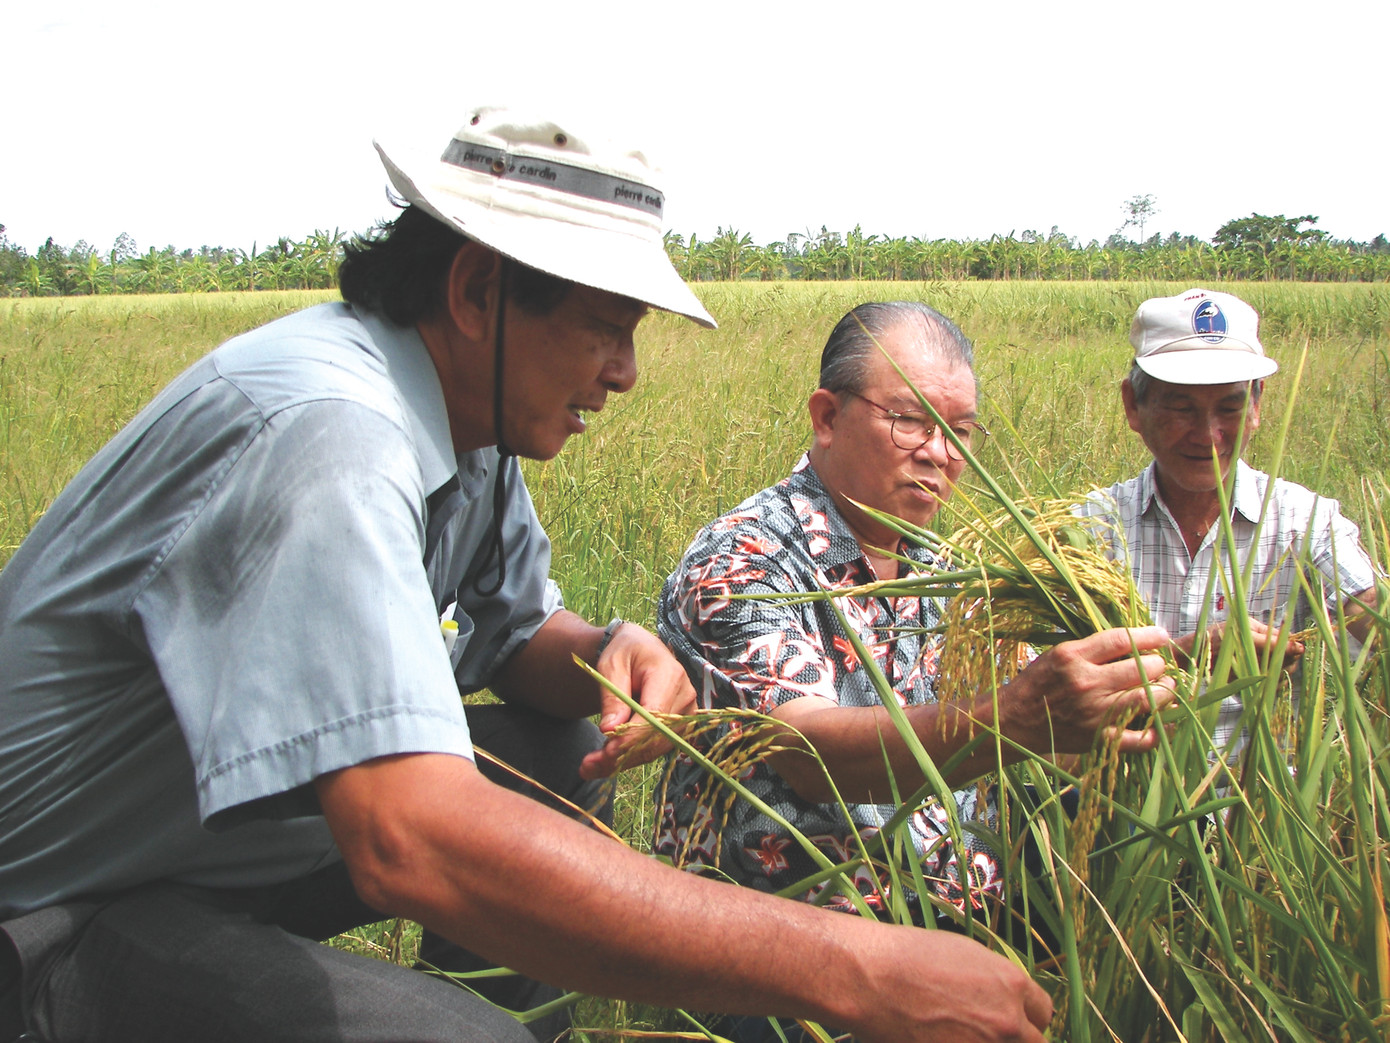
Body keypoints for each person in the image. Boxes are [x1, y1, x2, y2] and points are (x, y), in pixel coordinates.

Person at [0, 109, 1061, 1043]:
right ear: (475, 290)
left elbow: (514, 639)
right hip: (60, 902)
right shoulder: (333, 438)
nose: (625, 371)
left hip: (206, 835)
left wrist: (605, 649)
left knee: (560, 748)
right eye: (606, 327)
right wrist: (853, 965)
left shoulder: (472, 429)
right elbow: (409, 838)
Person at [654, 301, 1175, 934]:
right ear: (827, 417)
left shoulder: (947, 570)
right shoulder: (742, 559)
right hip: (789, 930)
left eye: (960, 432)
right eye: (910, 421)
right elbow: (808, 752)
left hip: (955, 898)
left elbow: (1050, 698)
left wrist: (1175, 663)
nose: (940, 454)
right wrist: (1012, 718)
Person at [1080, 287, 1379, 758]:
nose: (1208, 434)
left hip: (1263, 817)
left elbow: (1370, 617)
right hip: (1121, 808)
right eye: (1181, 408)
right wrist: (1189, 654)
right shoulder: (1090, 529)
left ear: (1257, 407)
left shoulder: (1306, 522)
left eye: (1230, 407)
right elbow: (1053, 694)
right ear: (1133, 406)